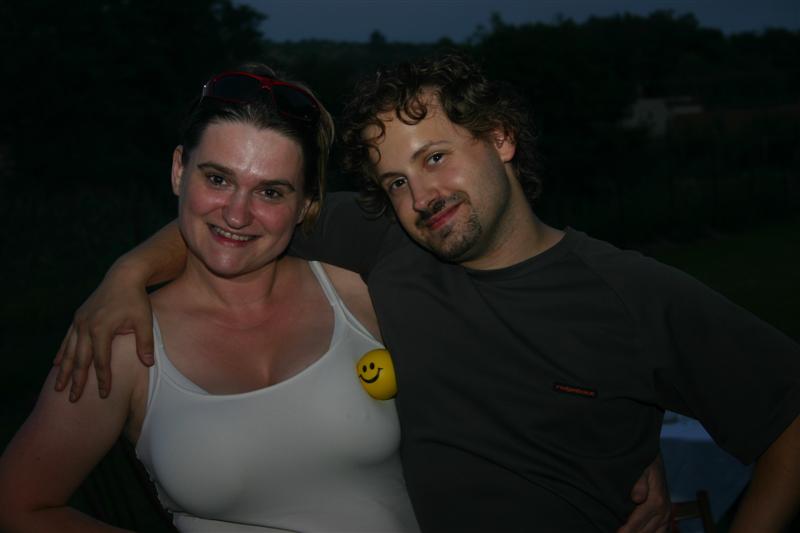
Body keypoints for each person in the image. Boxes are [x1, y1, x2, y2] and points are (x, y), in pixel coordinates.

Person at [52, 54, 774, 532]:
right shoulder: (388, 245)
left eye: (435, 158)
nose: (422, 195)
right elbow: (238, 219)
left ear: (500, 139)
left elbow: (787, 416)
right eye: (395, 180)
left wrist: (629, 426)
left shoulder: (629, 292)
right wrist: (127, 274)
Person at [0, 65, 421, 532]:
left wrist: (131, 267)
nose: (237, 215)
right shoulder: (121, 339)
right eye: (218, 179)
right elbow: (19, 504)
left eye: (270, 192)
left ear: (306, 204)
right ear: (179, 170)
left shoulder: (360, 295)